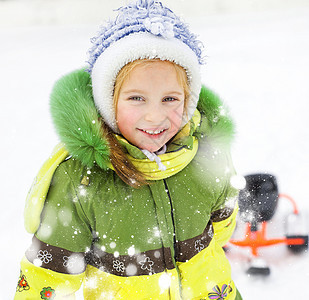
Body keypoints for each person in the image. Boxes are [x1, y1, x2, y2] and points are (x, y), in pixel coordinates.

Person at [15, 0, 243, 299]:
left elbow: (223, 223)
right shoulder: (81, 179)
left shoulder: (206, 155)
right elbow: (47, 276)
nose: (155, 116)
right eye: (136, 98)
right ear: (108, 102)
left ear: (189, 100)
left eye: (170, 99)